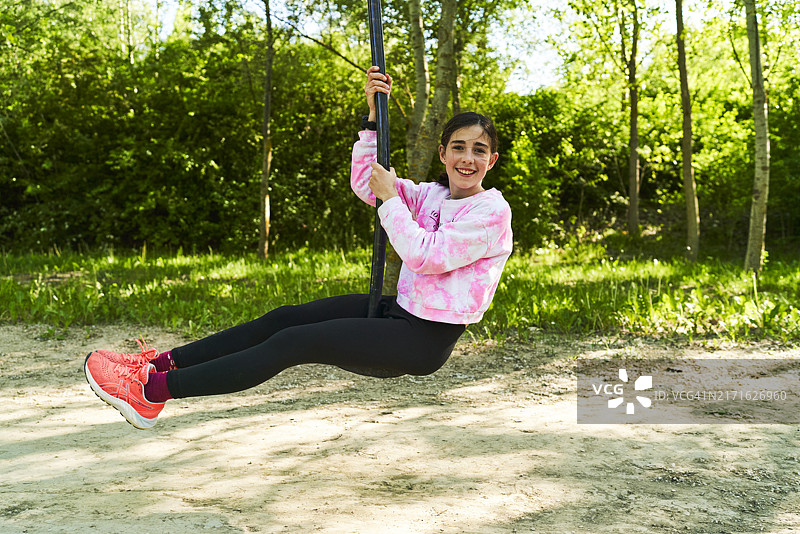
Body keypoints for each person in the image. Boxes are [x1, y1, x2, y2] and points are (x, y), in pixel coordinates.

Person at [84, 67, 513, 429]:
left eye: (479, 150)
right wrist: (370, 118)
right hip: (398, 310)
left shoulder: (492, 212)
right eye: (458, 147)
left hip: (423, 338)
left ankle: (151, 394)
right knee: (285, 318)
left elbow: (426, 254)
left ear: (491, 160)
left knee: (293, 342)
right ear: (443, 152)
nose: (467, 158)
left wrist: (391, 200)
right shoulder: (432, 196)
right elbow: (368, 185)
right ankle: (158, 365)